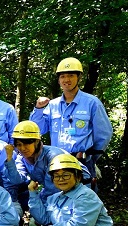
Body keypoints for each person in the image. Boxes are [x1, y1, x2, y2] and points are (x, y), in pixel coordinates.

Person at [29, 57, 112, 187]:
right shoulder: (52, 105)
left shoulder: (92, 103)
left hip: (82, 162)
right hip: (57, 163)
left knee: (83, 202)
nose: (66, 80)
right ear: (58, 79)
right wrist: (38, 109)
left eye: (71, 75)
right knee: (57, 201)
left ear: (79, 77)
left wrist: (90, 156)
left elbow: (104, 134)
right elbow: (38, 130)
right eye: (63, 76)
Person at [11, 120, 90, 211]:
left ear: (36, 142)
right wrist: (9, 162)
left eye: (27, 143)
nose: (22, 148)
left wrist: (40, 208)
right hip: (57, 190)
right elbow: (16, 181)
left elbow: (53, 189)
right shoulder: (22, 158)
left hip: (77, 189)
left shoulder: (53, 156)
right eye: (19, 145)